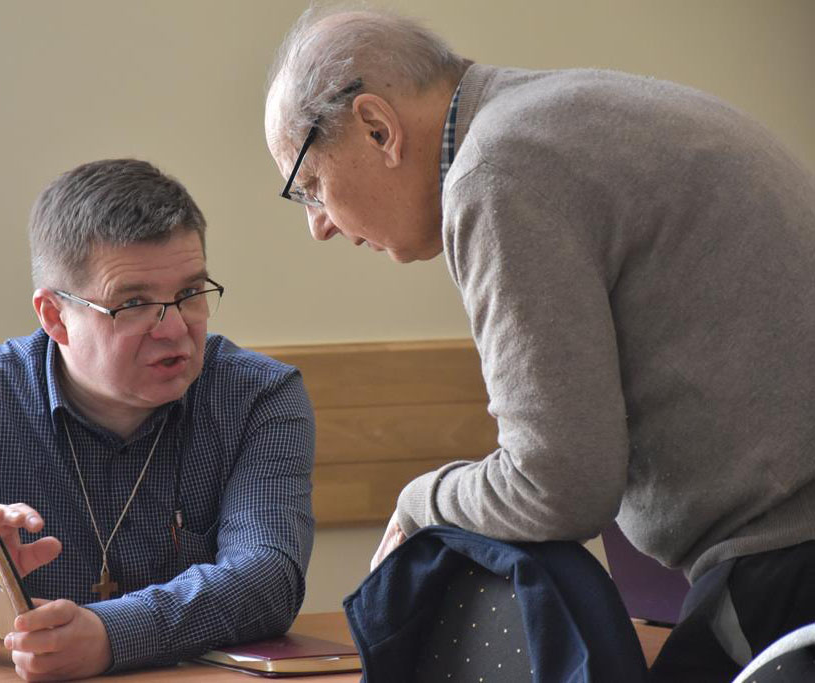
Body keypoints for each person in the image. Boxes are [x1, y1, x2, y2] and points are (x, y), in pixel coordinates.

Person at [264, 7, 815, 682]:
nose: (318, 225)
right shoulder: (556, 114)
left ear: (378, 127)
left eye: (310, 186)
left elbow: (555, 486)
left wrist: (422, 499)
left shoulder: (497, 171)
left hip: (789, 557)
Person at [0, 158, 316, 680]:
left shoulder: (257, 396)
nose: (174, 329)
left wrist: (110, 635)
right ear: (55, 317)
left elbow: (269, 577)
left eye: (190, 294)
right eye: (134, 303)